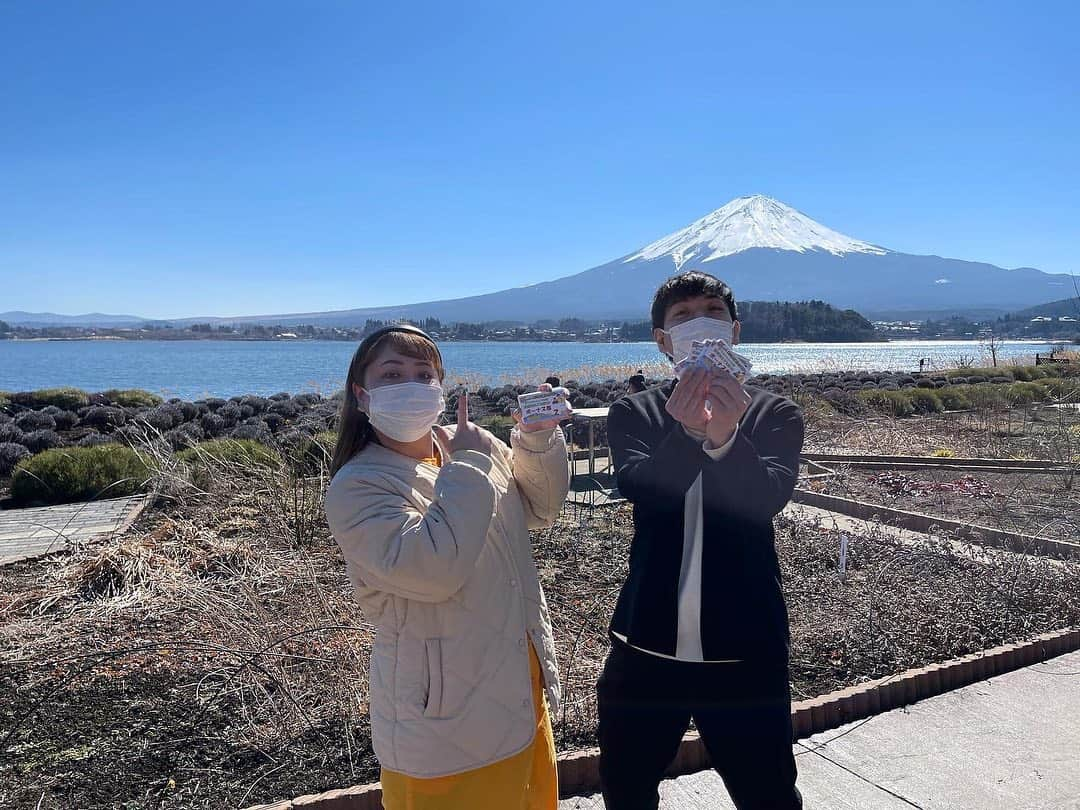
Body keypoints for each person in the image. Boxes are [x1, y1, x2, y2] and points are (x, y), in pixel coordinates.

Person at [324, 324, 570, 810]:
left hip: (519, 692)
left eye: (424, 374)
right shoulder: (358, 487)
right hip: (446, 723)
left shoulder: (466, 450)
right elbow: (433, 571)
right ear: (362, 393)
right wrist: (467, 465)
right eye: (392, 374)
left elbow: (539, 511)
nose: (411, 387)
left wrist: (535, 442)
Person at [599, 271, 804, 810]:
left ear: (734, 332)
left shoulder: (774, 413)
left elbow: (763, 502)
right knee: (626, 790)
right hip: (644, 646)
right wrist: (688, 433)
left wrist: (726, 437)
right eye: (683, 317)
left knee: (769, 794)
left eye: (711, 312)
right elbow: (644, 490)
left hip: (745, 650)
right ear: (663, 342)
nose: (700, 325)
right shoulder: (636, 413)